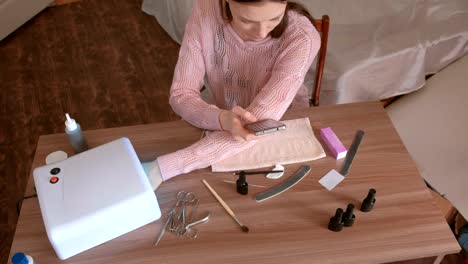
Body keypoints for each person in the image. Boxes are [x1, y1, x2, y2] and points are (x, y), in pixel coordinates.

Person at [143, 0, 321, 189]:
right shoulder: (206, 10)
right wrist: (221, 118)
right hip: (222, 118)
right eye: (246, 20)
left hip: (284, 127)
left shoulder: (302, 37)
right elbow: (181, 94)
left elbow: (256, 125)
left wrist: (163, 168)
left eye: (275, 18)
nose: (262, 32)